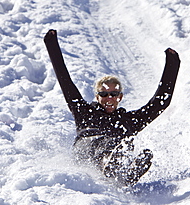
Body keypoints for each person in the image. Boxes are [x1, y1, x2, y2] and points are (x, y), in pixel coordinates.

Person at [43, 29, 180, 186]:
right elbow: (65, 80)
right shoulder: (84, 112)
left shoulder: (128, 121)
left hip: (115, 149)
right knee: (108, 141)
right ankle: (109, 164)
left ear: (120, 97)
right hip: (86, 149)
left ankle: (125, 174)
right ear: (97, 96)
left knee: (123, 142)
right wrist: (51, 44)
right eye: (104, 94)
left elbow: (159, 104)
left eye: (113, 94)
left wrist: (172, 63)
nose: (109, 98)